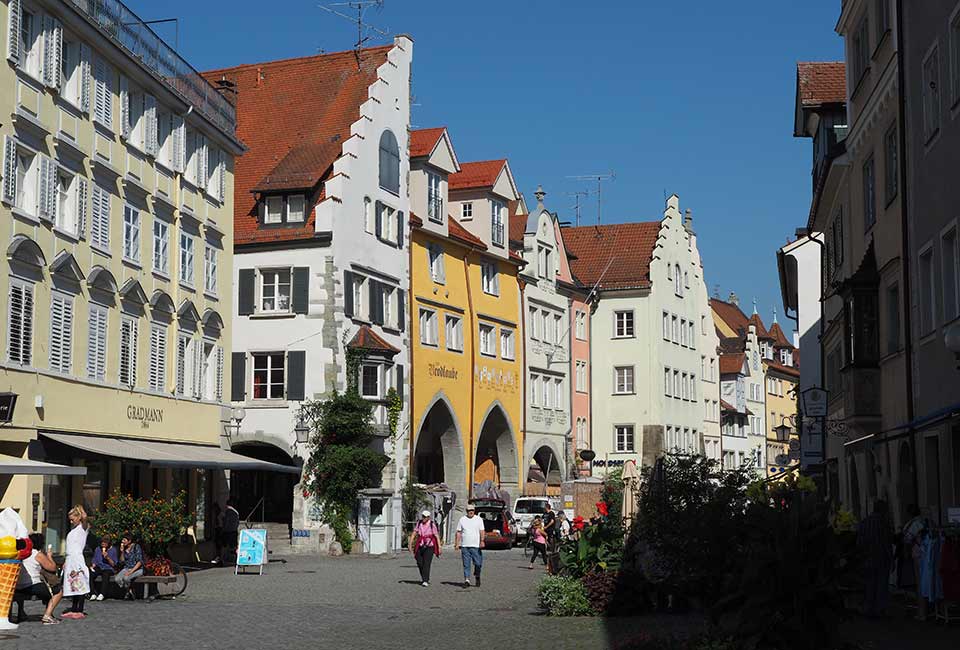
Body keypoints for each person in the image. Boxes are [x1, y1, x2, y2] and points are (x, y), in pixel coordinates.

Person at [856, 499, 894, 618]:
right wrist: (891, 559)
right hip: (882, 558)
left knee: (869, 584)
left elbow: (859, 543)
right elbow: (887, 542)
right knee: (881, 585)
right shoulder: (883, 523)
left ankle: (869, 608)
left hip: (867, 558)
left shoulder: (864, 522)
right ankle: (880, 609)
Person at [15, 533, 62, 625]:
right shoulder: (37, 554)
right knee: (58, 591)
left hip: (17, 586)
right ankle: (47, 616)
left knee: (21, 589)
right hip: (32, 585)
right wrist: (49, 556)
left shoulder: (21, 552)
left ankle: (21, 613)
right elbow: (52, 567)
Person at [901, 504, 930, 620]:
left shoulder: (914, 523)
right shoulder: (925, 521)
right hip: (929, 553)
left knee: (920, 584)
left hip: (918, 555)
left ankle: (922, 613)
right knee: (929, 582)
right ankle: (929, 609)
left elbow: (907, 539)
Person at [61, 505, 90, 619]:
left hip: (77, 559)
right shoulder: (73, 531)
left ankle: (80, 609)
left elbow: (85, 517)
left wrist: (80, 508)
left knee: (80, 582)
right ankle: (73, 608)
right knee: (72, 584)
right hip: (70, 559)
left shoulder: (83, 528)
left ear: (78, 518)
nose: (71, 521)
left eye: (73, 519)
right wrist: (65, 561)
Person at [454, 504, 485, 587]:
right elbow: (459, 532)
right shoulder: (462, 519)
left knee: (478, 563)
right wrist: (457, 543)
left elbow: (482, 531)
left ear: (474, 511)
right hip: (465, 546)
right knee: (466, 564)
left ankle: (477, 575)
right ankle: (467, 580)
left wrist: (482, 541)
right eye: (468, 511)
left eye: (472, 510)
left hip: (476, 546)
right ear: (466, 511)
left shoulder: (479, 519)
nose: (470, 512)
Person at [409, 510, 441, 587]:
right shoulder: (419, 523)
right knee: (419, 562)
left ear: (428, 517)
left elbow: (436, 536)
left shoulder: (432, 524)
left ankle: (425, 580)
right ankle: (424, 577)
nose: (423, 518)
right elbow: (414, 533)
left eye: (425, 517)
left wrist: (439, 547)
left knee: (426, 563)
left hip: (430, 545)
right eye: (423, 516)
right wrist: (410, 544)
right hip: (420, 544)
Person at [113, 533, 144, 600]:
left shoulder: (136, 547)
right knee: (117, 579)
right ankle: (129, 590)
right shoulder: (124, 548)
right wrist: (122, 552)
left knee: (126, 578)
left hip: (137, 569)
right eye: (122, 540)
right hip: (127, 568)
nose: (122, 541)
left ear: (129, 541)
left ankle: (128, 592)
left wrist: (131, 572)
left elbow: (140, 562)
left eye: (124, 540)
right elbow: (122, 561)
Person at [89, 536, 117, 600]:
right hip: (99, 567)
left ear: (108, 543)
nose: (103, 544)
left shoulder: (113, 550)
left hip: (108, 568)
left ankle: (102, 594)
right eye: (102, 542)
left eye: (105, 543)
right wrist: (93, 564)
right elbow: (94, 559)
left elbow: (114, 564)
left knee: (105, 574)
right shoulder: (97, 549)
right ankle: (93, 593)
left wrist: (108, 558)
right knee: (90, 573)